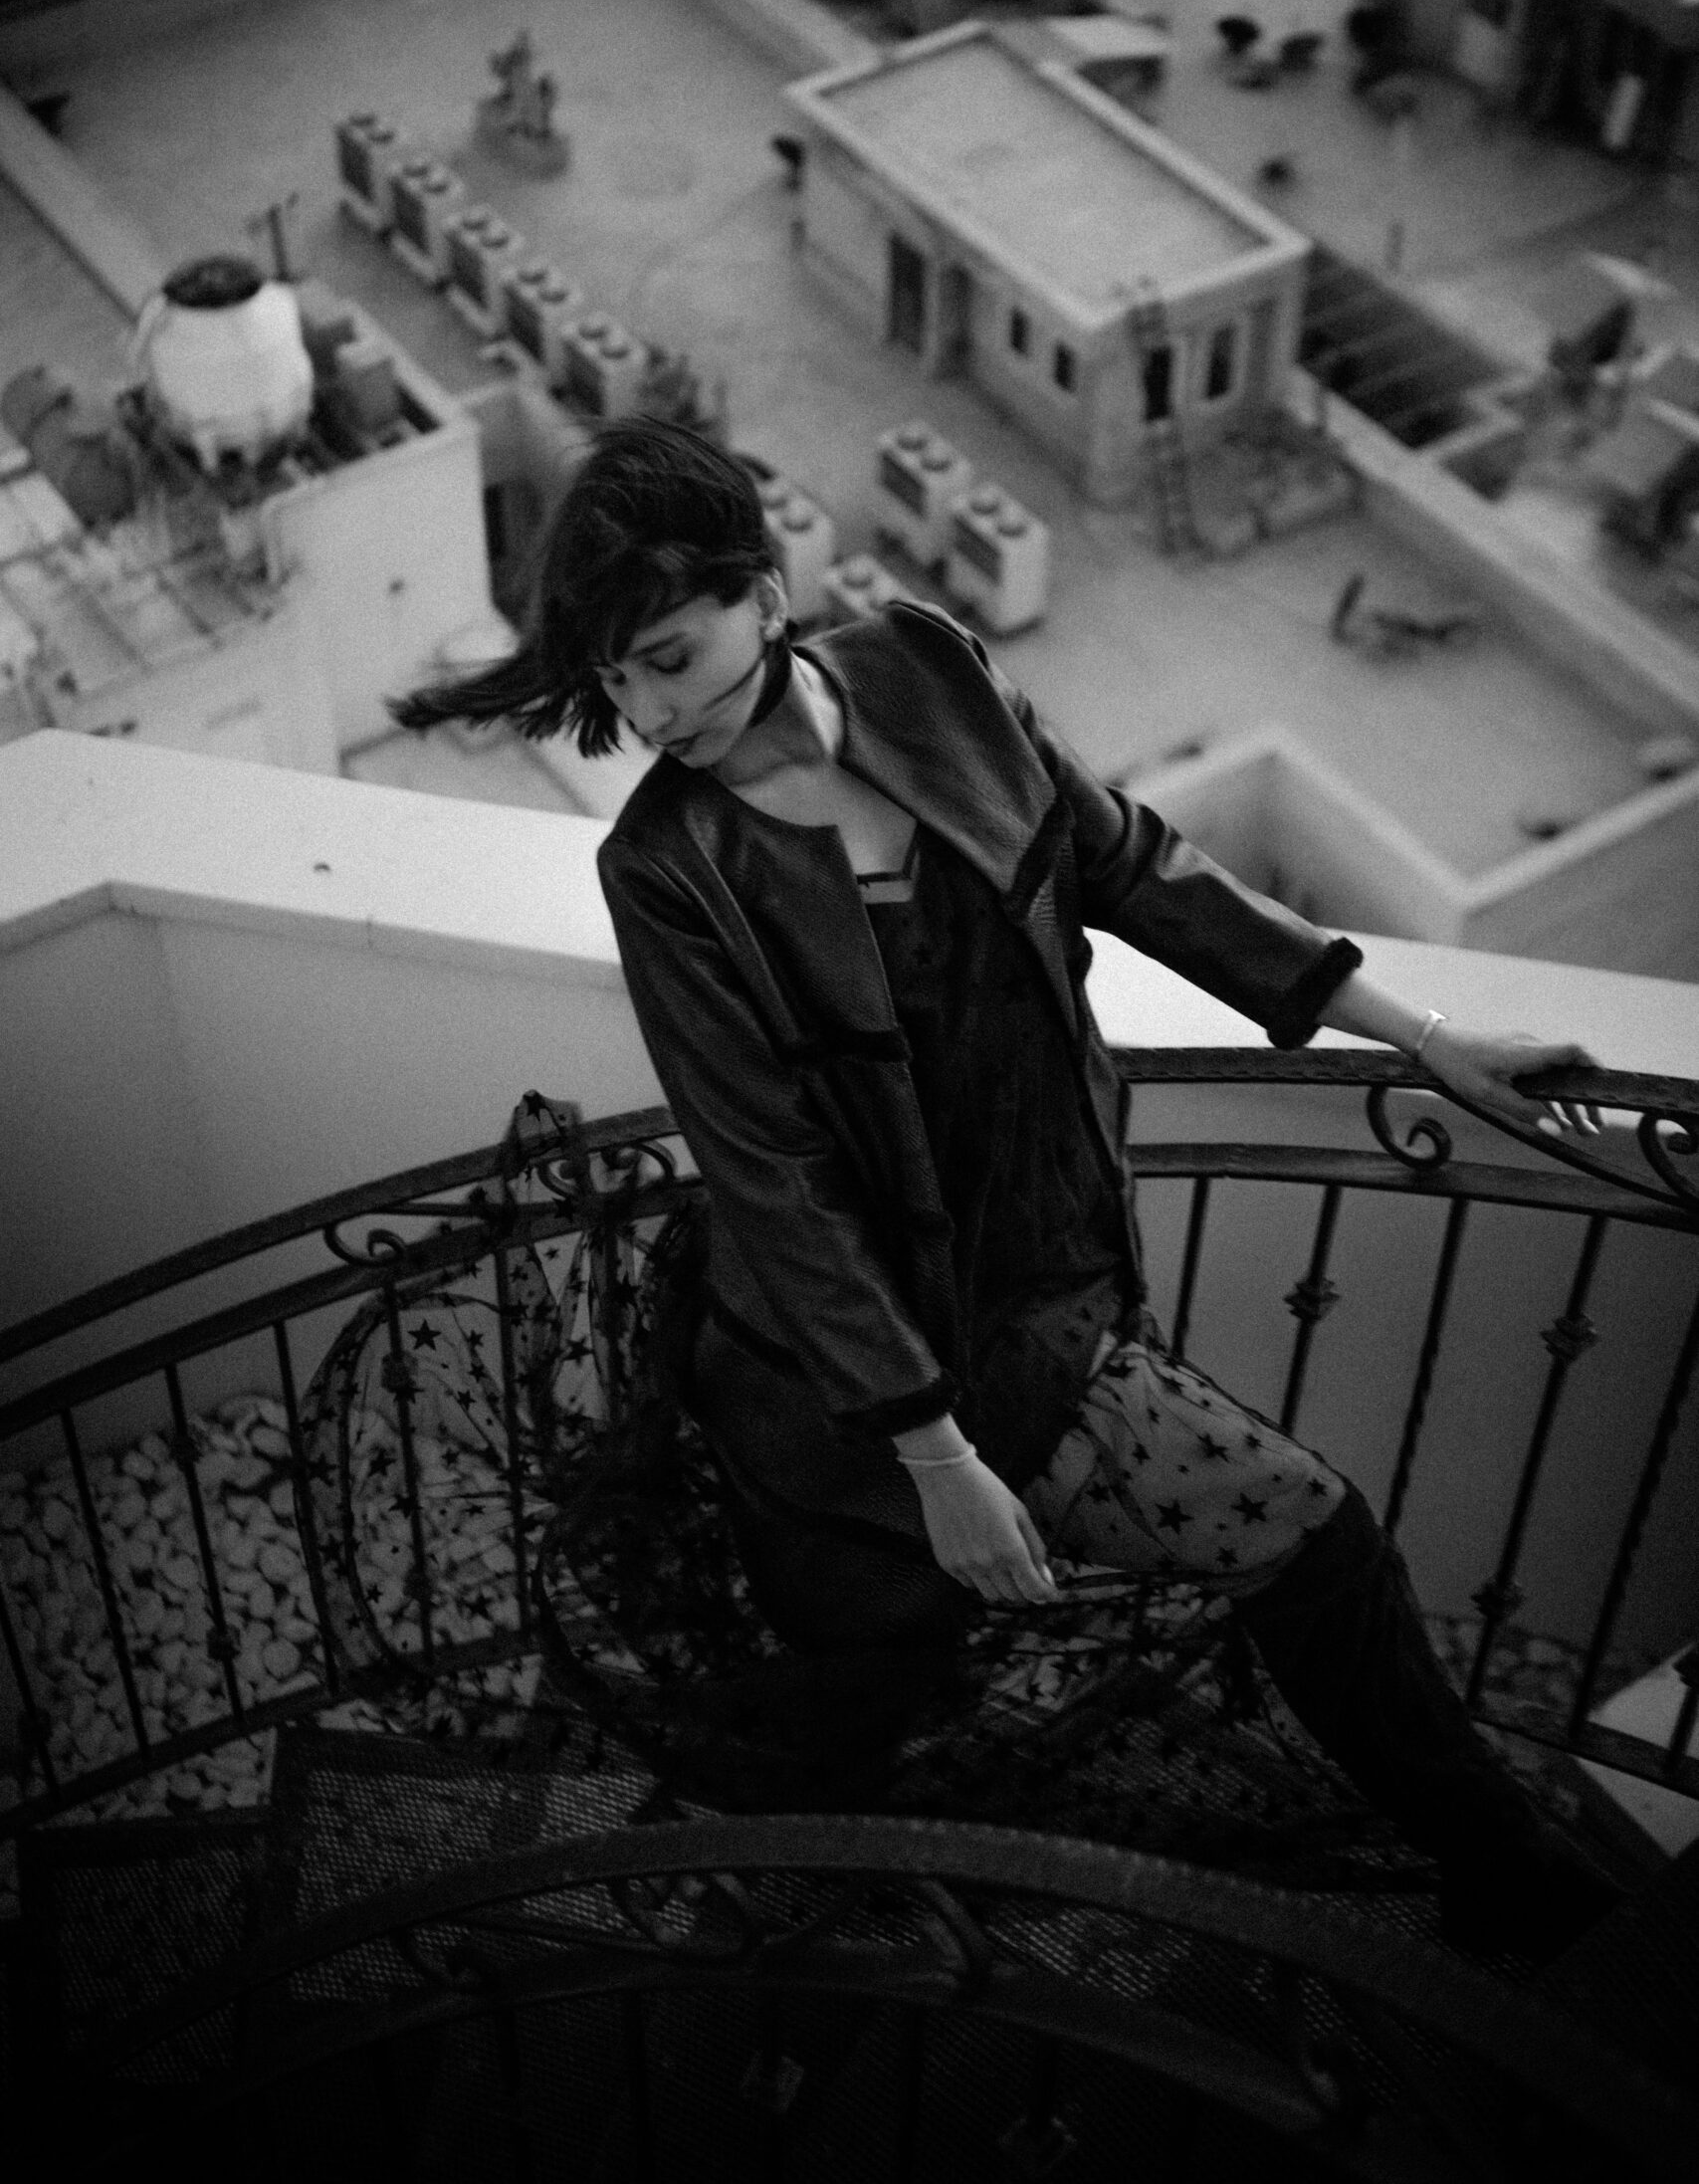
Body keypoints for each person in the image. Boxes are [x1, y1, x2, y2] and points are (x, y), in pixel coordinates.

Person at [395, 418, 1623, 1953]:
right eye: (617, 680)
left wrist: (1429, 1039)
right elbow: (773, 1181)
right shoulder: (667, 868)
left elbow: (1138, 866)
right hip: (902, 1358)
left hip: (1067, 1259)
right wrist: (933, 1453)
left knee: (890, 1693)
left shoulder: (928, 664)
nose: (647, 713)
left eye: (669, 657)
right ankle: (1505, 1872)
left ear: (765, 593)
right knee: (1313, 1537)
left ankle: (826, 1890)